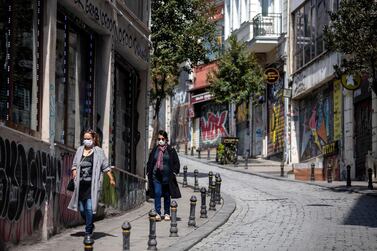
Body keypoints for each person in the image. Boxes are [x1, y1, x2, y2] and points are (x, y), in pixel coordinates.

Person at [68, 129, 116, 237]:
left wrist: (111, 178)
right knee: (81, 209)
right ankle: (90, 224)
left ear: (94, 139)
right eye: (85, 138)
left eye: (88, 139)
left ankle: (88, 231)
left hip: (92, 186)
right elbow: (74, 164)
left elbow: (105, 167)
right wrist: (74, 172)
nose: (86, 140)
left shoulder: (99, 151)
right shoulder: (80, 150)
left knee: (89, 208)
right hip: (80, 185)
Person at [147, 130, 181, 221]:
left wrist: (174, 172)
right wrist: (148, 171)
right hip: (156, 176)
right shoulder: (155, 150)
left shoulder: (171, 150)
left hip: (167, 177)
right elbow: (150, 161)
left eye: (162, 139)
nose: (160, 140)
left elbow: (176, 162)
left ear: (166, 139)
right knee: (157, 193)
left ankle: (166, 213)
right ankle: (157, 213)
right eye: (159, 139)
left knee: (166, 194)